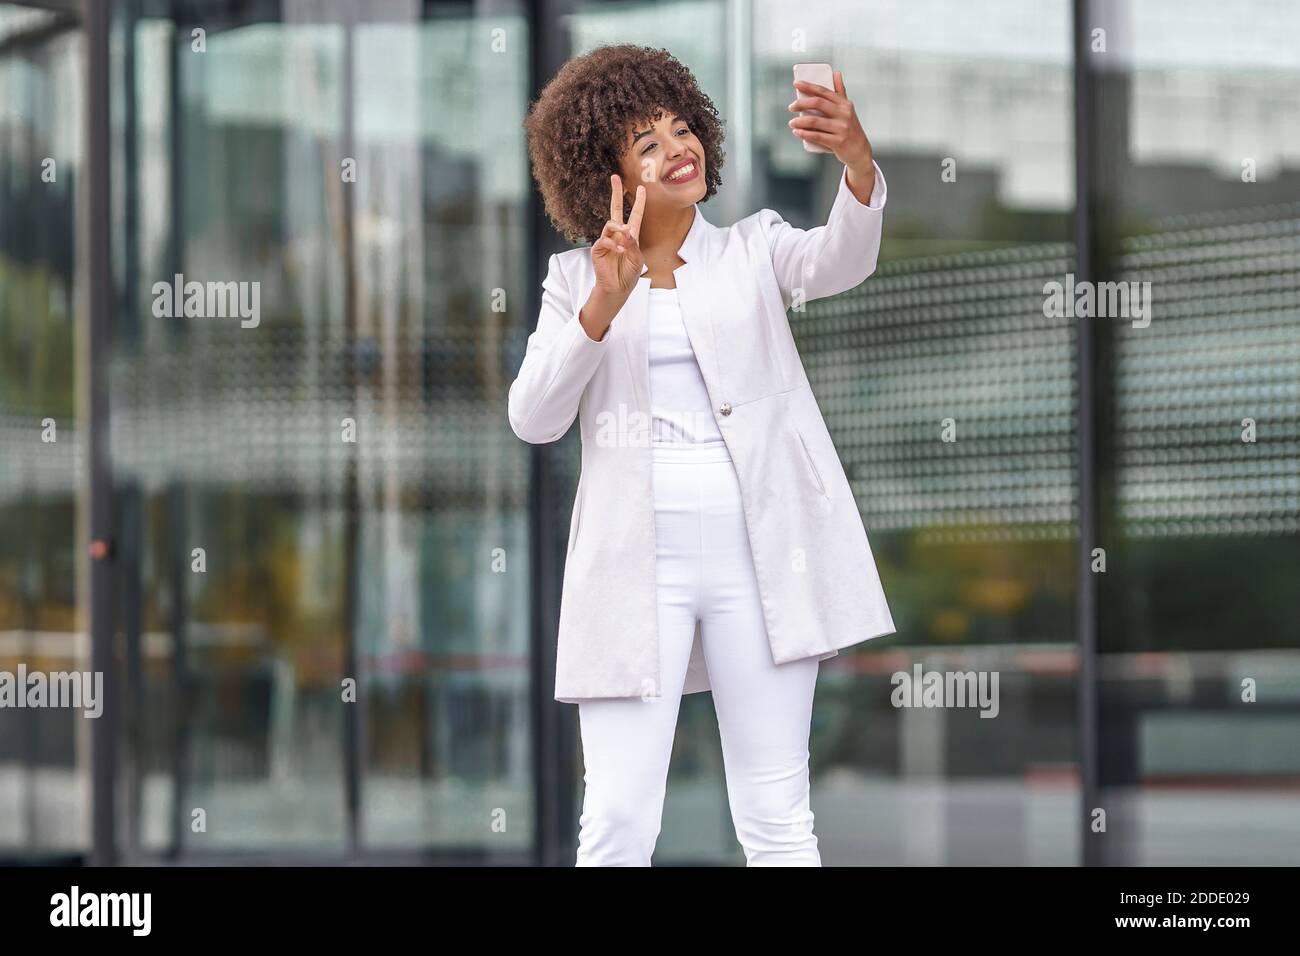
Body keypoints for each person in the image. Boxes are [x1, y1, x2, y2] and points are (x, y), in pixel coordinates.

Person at [511, 44, 895, 866]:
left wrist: (857, 163)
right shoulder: (575, 281)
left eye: (682, 129)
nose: (676, 149)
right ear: (600, 172)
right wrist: (603, 307)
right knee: (616, 821)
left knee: (776, 816)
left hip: (760, 558)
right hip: (630, 570)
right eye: (646, 143)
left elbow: (843, 258)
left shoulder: (755, 249)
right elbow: (534, 418)